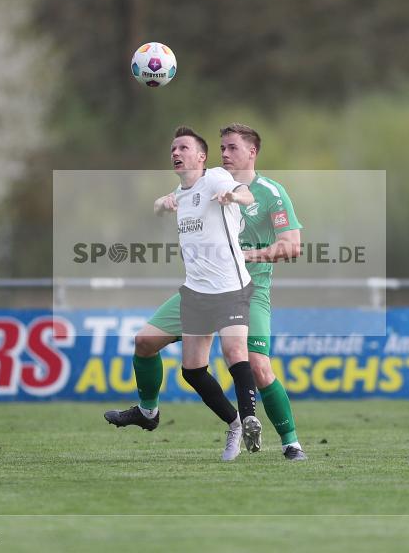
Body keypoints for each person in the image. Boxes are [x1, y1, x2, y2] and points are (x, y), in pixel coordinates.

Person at [106, 123, 307, 461]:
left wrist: (248, 254)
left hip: (248, 287)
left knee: (256, 365)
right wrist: (162, 202)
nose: (225, 153)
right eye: (222, 148)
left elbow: (292, 246)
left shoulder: (270, 192)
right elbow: (177, 202)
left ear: (252, 152)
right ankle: (148, 411)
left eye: (232, 148)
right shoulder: (203, 183)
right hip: (201, 288)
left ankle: (291, 443)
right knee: (146, 343)